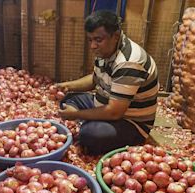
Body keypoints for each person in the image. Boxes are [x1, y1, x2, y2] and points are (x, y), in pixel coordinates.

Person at [57, 10, 158, 154]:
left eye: (98, 40)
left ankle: (96, 126)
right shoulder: (106, 50)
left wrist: (77, 115)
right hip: (106, 104)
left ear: (115, 36)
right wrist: (67, 86)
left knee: (89, 135)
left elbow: (114, 113)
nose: (92, 46)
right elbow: (94, 79)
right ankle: (91, 120)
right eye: (90, 40)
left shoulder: (128, 62)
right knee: (67, 99)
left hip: (130, 121)